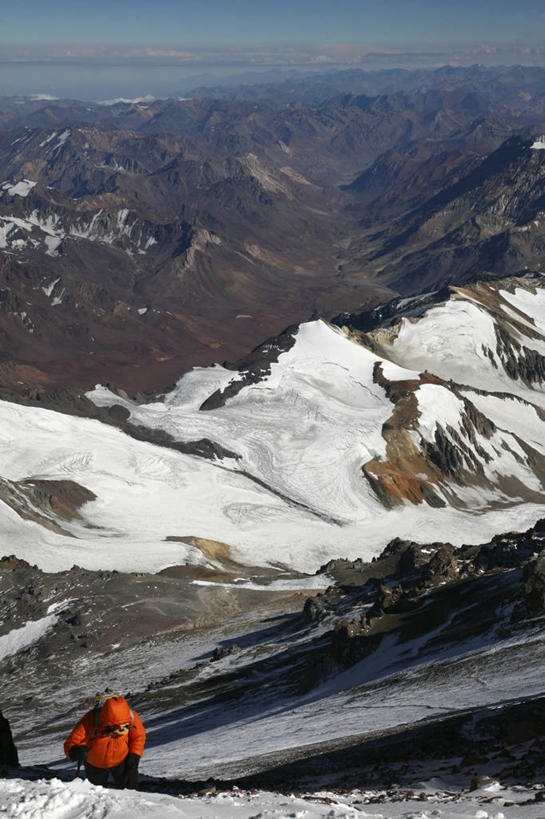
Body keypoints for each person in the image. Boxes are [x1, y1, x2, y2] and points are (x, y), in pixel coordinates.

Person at [64, 693, 145, 789]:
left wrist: (134, 756)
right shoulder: (91, 719)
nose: (118, 733)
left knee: (129, 790)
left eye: (124, 728)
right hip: (94, 763)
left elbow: (138, 736)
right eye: (113, 729)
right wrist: (74, 751)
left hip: (121, 760)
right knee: (96, 794)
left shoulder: (131, 717)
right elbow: (72, 742)